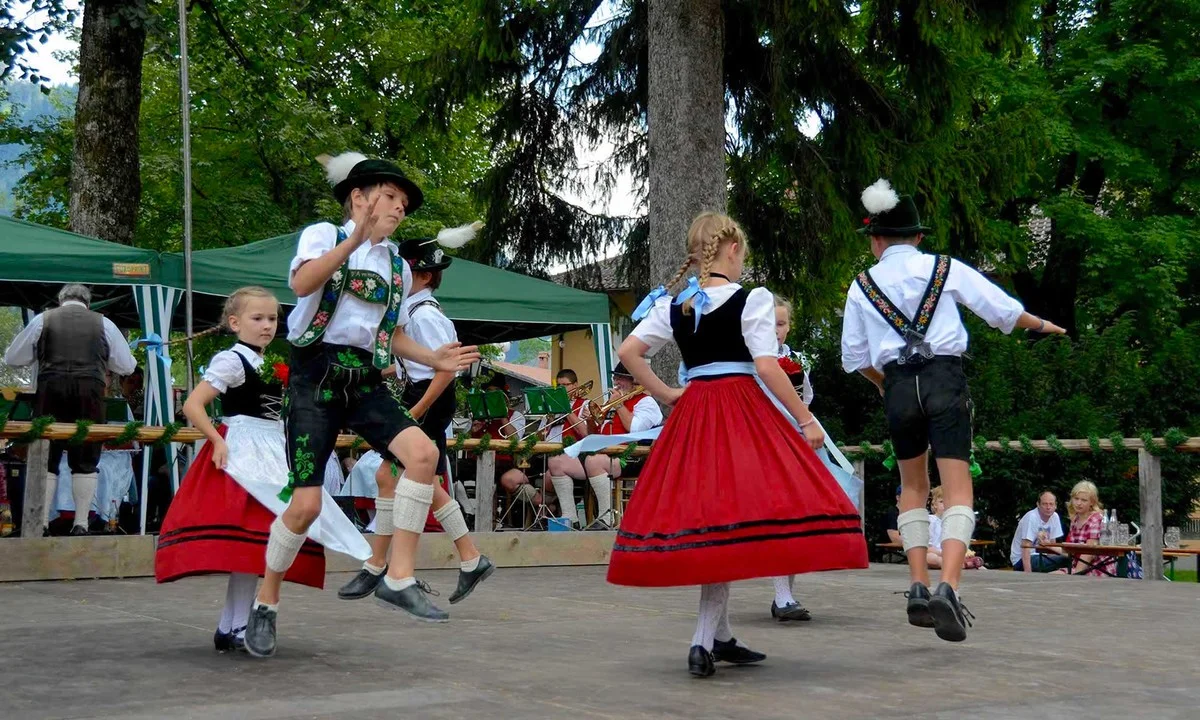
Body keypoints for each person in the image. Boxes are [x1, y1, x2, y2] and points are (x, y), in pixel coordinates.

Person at [242, 152, 480, 658]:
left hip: (364, 376)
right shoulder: (323, 235)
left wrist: (432, 354)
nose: (399, 208)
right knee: (305, 506)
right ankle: (266, 601)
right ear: (358, 197)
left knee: (422, 456)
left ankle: (399, 576)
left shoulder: (395, 263)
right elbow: (302, 284)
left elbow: (389, 336)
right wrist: (354, 239)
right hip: (313, 375)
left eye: (403, 203)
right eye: (391, 197)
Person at [613, 211, 868, 678]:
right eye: (743, 254)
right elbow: (768, 367)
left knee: (715, 517)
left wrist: (668, 394)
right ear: (732, 250)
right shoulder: (752, 300)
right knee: (737, 515)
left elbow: (628, 354)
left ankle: (721, 636)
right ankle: (701, 641)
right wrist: (807, 418)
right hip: (740, 412)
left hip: (695, 415)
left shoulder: (675, 304)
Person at [840, 179, 1066, 642]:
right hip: (944, 379)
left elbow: (854, 359)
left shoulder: (861, 285)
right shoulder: (944, 268)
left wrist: (889, 385)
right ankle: (950, 586)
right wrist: (1044, 324)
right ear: (918, 236)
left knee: (912, 487)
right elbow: (1000, 309)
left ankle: (918, 584)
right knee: (958, 489)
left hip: (899, 386)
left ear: (875, 239)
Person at [155, 287, 371, 652]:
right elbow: (193, 405)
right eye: (258, 319)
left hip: (274, 448)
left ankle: (230, 625)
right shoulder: (231, 361)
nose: (267, 326)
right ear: (235, 322)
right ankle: (236, 624)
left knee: (263, 540)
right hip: (244, 450)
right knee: (253, 541)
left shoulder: (272, 362)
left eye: (272, 319)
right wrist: (217, 440)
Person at [337, 228, 495, 603]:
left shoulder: (424, 316)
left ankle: (379, 566)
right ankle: (469, 559)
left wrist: (417, 410)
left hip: (428, 398)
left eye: (405, 270)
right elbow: (414, 362)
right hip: (419, 392)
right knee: (417, 481)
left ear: (422, 276)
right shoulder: (418, 312)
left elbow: (445, 369)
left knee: (390, 474)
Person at [3, 284, 137, 535]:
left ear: (60, 300)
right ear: (87, 303)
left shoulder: (43, 320)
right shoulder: (103, 323)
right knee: (86, 459)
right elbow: (126, 366)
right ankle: (81, 523)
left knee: (47, 457)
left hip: (49, 390)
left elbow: (13, 358)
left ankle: (41, 521)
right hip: (90, 393)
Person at [544, 363, 662, 530]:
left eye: (621, 379)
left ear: (634, 382)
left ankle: (606, 518)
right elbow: (593, 434)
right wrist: (591, 420)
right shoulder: (611, 401)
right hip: (602, 454)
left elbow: (635, 429)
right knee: (556, 461)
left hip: (630, 458)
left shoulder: (646, 402)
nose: (617, 382)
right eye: (616, 378)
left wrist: (618, 405)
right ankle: (570, 517)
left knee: (594, 461)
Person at [1055, 481, 1115, 577]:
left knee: (1053, 578)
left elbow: (1089, 552)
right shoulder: (1075, 519)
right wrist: (1047, 545)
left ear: (1092, 502)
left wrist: (1075, 575)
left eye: (1084, 500)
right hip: (1080, 568)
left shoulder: (1096, 519)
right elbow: (1070, 551)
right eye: (1076, 499)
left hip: (1098, 570)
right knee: (1049, 577)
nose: (1079, 503)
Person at [1011, 491, 1069, 572]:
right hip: (1021, 560)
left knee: (1069, 559)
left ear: (1055, 505)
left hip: (1042, 557)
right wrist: (1028, 574)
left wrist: (1053, 560)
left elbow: (1052, 545)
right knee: (1066, 560)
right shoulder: (1031, 517)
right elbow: (1025, 546)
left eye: (1051, 504)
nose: (1048, 507)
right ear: (1038, 504)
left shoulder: (1055, 517)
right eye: (1045, 504)